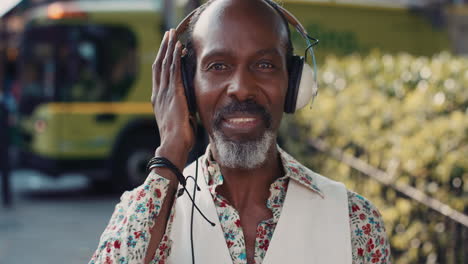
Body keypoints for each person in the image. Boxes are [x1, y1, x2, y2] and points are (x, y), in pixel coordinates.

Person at [89, 0, 391, 263]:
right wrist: (171, 148)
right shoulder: (143, 213)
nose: (242, 89)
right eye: (218, 66)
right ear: (187, 86)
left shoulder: (356, 221)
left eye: (264, 64)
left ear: (295, 83)